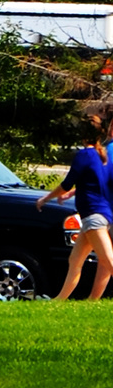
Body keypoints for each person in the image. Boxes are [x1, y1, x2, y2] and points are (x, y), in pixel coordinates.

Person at [42, 114, 113, 300]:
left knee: (109, 261)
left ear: (83, 135)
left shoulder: (85, 155)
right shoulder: (101, 156)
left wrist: (45, 198)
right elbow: (98, 182)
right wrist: (74, 193)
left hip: (93, 216)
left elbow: (66, 183)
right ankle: (58, 301)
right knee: (75, 260)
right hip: (98, 215)